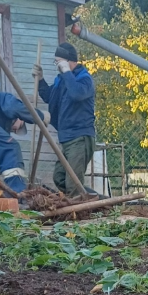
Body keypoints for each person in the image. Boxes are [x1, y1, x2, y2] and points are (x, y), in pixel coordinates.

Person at [33, 42, 99, 197]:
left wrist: (66, 72)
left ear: (69, 61)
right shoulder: (61, 79)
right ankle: (93, 198)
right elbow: (50, 98)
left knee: (73, 183)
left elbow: (77, 94)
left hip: (80, 137)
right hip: (66, 138)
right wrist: (41, 80)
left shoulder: (84, 79)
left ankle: (80, 211)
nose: (56, 65)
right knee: (59, 178)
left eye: (59, 61)